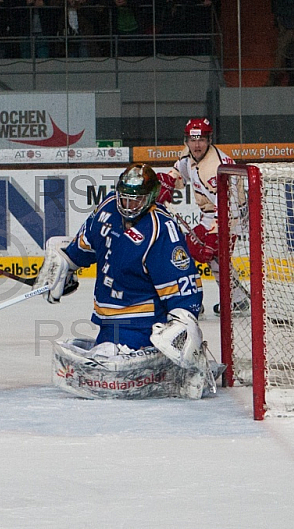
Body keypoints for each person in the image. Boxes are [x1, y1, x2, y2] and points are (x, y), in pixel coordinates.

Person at [36, 163, 215, 400]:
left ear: (150, 198)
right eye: (125, 198)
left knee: (103, 361)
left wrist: (182, 319)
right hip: (107, 322)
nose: (128, 205)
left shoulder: (160, 229)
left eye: (136, 200)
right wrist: (66, 264)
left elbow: (183, 282)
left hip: (142, 326)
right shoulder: (107, 208)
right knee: (100, 356)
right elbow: (85, 244)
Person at [156, 118, 249, 317]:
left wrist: (213, 235)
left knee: (215, 258)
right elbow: (178, 169)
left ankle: (228, 300)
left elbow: (228, 206)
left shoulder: (216, 168)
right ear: (186, 141)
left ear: (209, 140)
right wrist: (169, 181)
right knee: (190, 253)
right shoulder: (188, 154)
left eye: (201, 140)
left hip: (231, 217)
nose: (196, 144)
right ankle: (237, 299)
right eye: (192, 139)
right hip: (211, 214)